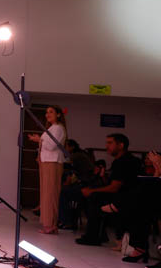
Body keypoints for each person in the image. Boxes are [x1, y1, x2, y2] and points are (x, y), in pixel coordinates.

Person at [75, 134, 142, 249]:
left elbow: (115, 187)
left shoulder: (124, 161)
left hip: (126, 197)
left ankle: (93, 236)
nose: (107, 146)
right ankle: (98, 234)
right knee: (91, 196)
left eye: (110, 143)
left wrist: (91, 190)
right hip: (123, 194)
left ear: (121, 145)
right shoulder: (121, 161)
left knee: (95, 197)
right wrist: (102, 175)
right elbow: (112, 183)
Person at [28, 105, 67, 234]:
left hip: (53, 162)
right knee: (46, 193)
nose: (47, 114)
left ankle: (50, 224)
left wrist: (39, 139)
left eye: (51, 112)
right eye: (46, 112)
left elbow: (51, 146)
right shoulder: (51, 128)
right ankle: (48, 224)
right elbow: (47, 145)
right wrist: (39, 141)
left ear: (59, 114)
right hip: (47, 162)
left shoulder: (59, 128)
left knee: (51, 194)